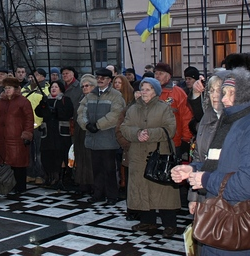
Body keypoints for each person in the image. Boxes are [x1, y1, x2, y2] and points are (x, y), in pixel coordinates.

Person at [173, 68, 250, 255]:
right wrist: (192, 169)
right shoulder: (238, 120)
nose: (223, 99)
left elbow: (249, 183)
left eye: (229, 94)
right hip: (224, 219)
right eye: (222, 92)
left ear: (246, 94)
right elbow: (222, 162)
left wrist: (206, 180)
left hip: (241, 226)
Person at [120, 77, 179, 238]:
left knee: (163, 190)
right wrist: (137, 133)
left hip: (160, 154)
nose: (144, 92)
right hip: (138, 155)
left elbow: (170, 129)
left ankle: (169, 224)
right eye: (143, 88)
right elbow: (124, 128)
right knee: (142, 189)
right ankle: (148, 220)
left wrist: (150, 134)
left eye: (148, 89)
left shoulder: (164, 108)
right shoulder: (133, 109)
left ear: (156, 92)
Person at [172, 75, 223, 218]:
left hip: (224, 196)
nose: (215, 95)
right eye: (211, 90)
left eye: (219, 90)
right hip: (202, 191)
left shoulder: (235, 122)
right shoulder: (206, 119)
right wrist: (193, 197)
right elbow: (198, 159)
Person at [77, 67, 126, 205]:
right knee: (96, 169)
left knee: (109, 170)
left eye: (103, 78)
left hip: (108, 139)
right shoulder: (90, 95)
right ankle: (98, 194)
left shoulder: (116, 96)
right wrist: (86, 125)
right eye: (98, 78)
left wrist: (98, 125)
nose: (100, 80)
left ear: (109, 80)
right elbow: (81, 112)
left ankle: (112, 195)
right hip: (93, 140)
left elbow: (116, 115)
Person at [0, 77, 34, 193]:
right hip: (3, 139)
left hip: (17, 138)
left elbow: (29, 119)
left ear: (16, 89)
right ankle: (7, 185)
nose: (7, 90)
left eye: (9, 88)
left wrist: (27, 134)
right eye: (5, 88)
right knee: (5, 163)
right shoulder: (1, 102)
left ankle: (20, 187)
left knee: (19, 164)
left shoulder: (23, 101)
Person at [35, 81, 74, 188]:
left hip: (61, 134)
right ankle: (49, 177)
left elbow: (68, 112)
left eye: (56, 87)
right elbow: (38, 112)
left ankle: (61, 178)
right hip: (48, 134)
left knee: (61, 156)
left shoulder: (65, 100)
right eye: (52, 87)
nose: (53, 88)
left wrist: (56, 111)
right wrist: (43, 105)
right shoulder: (46, 100)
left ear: (61, 89)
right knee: (47, 157)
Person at [154, 63, 193, 158]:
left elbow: (186, 117)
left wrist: (186, 139)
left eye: (161, 73)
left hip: (174, 141)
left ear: (168, 76)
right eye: (156, 73)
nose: (157, 76)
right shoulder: (150, 92)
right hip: (153, 140)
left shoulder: (178, 93)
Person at [73, 74, 96, 194]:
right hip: (79, 131)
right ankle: (82, 183)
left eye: (87, 85)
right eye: (82, 86)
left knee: (90, 159)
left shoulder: (96, 98)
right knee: (80, 157)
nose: (84, 88)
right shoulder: (80, 99)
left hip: (91, 131)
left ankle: (93, 184)